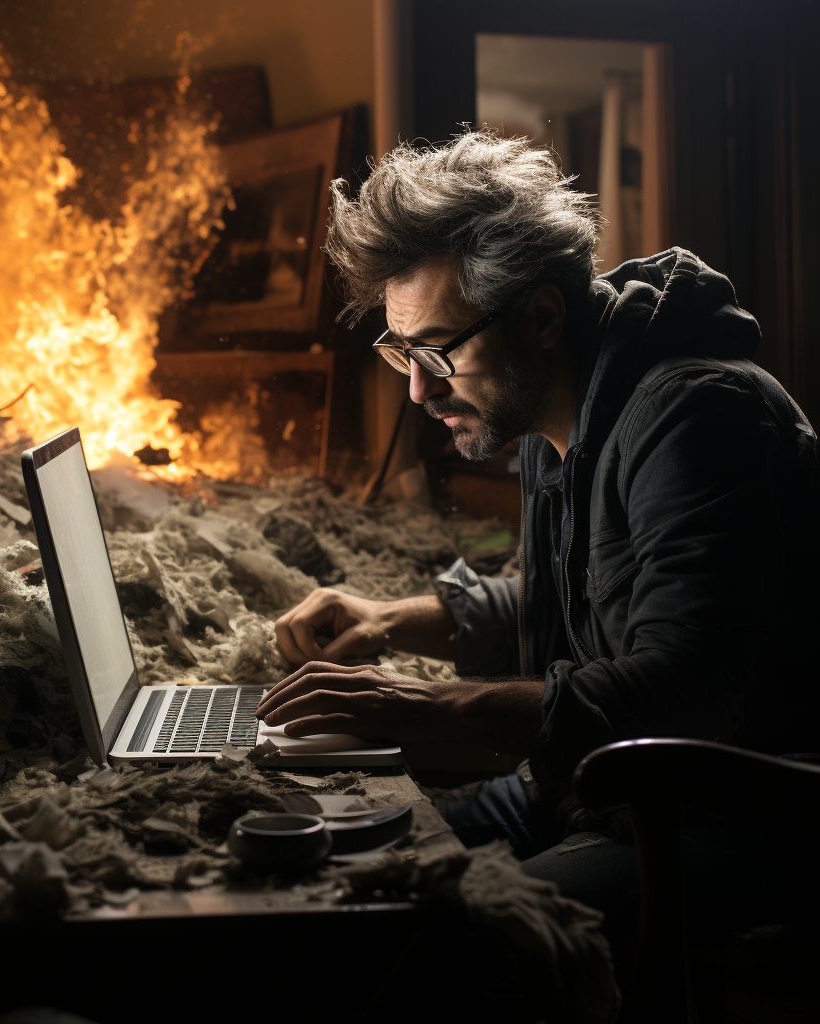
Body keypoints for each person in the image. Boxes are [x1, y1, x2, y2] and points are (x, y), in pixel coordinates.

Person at [255, 131, 820, 972]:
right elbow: (567, 598)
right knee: (318, 869)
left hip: (731, 816)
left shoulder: (699, 415)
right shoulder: (547, 401)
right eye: (402, 352)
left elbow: (685, 690)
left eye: (439, 350)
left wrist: (422, 711)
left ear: (543, 316)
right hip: (587, 793)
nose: (418, 388)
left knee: (427, 944)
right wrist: (389, 620)